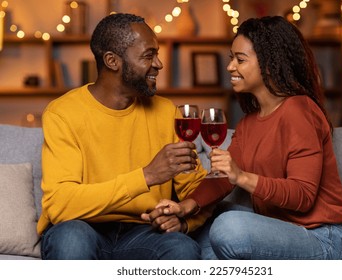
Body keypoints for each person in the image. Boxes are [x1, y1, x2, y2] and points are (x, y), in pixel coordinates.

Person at [143, 16, 342, 260]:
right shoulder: (249, 123)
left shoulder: (300, 110)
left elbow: (303, 196)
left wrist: (242, 176)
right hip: (280, 230)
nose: (230, 67)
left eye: (240, 60)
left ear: (269, 63)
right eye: (231, 58)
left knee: (229, 226)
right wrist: (184, 207)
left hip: (323, 238)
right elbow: (223, 180)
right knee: (209, 217)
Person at [37, 13, 211, 260]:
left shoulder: (166, 112)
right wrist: (147, 176)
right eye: (148, 55)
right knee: (71, 239)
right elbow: (60, 205)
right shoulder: (63, 113)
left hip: (144, 232)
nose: (159, 64)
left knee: (181, 247)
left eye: (157, 54)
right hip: (81, 227)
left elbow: (197, 190)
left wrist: (184, 223)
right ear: (112, 61)